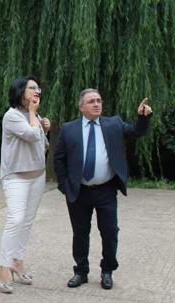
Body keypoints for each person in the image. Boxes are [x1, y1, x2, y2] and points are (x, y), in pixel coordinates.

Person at [54, 88, 152, 290]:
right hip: (79, 190)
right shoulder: (68, 129)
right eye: (91, 101)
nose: (96, 104)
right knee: (80, 233)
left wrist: (142, 117)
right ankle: (80, 271)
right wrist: (64, 186)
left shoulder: (113, 124)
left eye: (98, 100)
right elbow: (59, 159)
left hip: (105, 190)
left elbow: (136, 131)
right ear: (81, 107)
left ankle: (107, 271)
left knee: (109, 231)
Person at [0, 76, 50, 294]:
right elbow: (29, 135)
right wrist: (33, 117)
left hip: (37, 175)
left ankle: (18, 260)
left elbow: (42, 143)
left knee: (27, 221)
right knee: (16, 219)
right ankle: (4, 266)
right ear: (20, 91)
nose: (37, 91)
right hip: (16, 176)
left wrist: (45, 128)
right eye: (32, 88)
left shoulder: (34, 115)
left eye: (38, 87)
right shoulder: (12, 116)